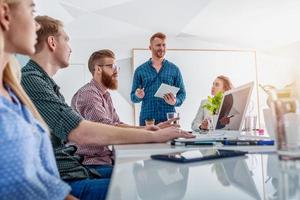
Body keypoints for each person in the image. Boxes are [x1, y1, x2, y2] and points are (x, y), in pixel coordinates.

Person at [21, 16, 193, 200]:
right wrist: (153, 134)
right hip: (68, 175)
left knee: (141, 178)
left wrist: (151, 130)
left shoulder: (47, 84)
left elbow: (114, 123)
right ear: (52, 42)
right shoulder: (33, 81)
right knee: (140, 184)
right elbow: (80, 131)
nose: (70, 48)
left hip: (73, 169)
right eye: (66, 40)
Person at [0, 0, 76, 199]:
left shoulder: (12, 91)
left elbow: (42, 182)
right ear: (5, 14)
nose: (36, 24)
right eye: (31, 10)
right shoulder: (29, 82)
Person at [71, 49, 177, 168]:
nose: (116, 72)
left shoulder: (105, 94)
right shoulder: (89, 94)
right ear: (98, 69)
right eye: (112, 66)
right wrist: (150, 133)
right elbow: (107, 128)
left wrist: (148, 128)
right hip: (93, 164)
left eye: (117, 67)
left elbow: (116, 123)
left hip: (107, 159)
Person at [130, 32, 186, 126]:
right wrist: (138, 96)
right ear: (150, 47)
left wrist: (175, 101)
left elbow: (182, 94)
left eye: (164, 45)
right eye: (158, 45)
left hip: (169, 120)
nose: (162, 48)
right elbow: (133, 97)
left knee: (171, 141)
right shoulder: (140, 70)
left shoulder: (174, 69)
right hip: (147, 120)